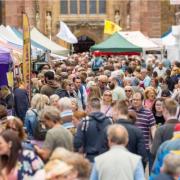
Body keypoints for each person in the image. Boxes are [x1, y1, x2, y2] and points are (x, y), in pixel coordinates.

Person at [74, 97, 112, 162]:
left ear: (89, 107)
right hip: (106, 158)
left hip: (90, 158)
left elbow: (77, 143)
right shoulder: (109, 121)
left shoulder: (84, 122)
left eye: (86, 108)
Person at [112, 100, 147, 166]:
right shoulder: (137, 131)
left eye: (113, 111)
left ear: (117, 111)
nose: (111, 114)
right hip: (133, 167)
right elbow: (142, 155)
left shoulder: (109, 130)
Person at [130, 91, 156, 171]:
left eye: (137, 100)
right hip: (130, 146)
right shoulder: (128, 111)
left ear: (142, 101)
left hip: (144, 147)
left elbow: (153, 128)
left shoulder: (148, 113)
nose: (135, 101)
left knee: (141, 169)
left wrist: (154, 142)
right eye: (133, 99)